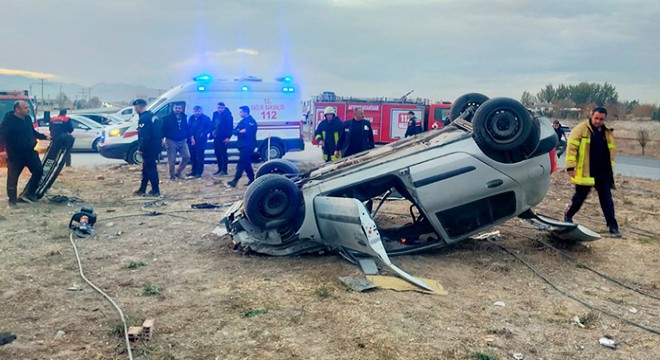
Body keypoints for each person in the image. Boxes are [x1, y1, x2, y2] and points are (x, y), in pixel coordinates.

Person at [564, 107, 621, 237]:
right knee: (579, 197)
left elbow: (610, 151)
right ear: (591, 116)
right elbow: (571, 149)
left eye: (601, 119)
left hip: (603, 172)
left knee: (607, 199)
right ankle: (568, 216)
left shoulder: (606, 132)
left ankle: (613, 226)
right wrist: (570, 167)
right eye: (596, 118)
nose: (598, 121)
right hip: (586, 171)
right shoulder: (580, 129)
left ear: (604, 119)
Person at [0, 101, 49, 207]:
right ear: (17, 109)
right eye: (25, 108)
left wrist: (44, 137)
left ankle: (28, 194)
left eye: (28, 108)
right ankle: (12, 201)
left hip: (29, 152)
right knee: (13, 178)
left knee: (39, 171)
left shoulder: (27, 119)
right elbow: (2, 136)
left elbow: (32, 132)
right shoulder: (8, 121)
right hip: (15, 155)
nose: (28, 110)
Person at [132, 99, 161, 197]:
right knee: (146, 169)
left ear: (138, 106)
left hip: (148, 148)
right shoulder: (153, 116)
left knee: (151, 169)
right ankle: (142, 189)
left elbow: (145, 136)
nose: (134, 109)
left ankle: (155, 190)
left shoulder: (144, 119)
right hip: (155, 146)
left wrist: (140, 149)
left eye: (135, 107)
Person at [227, 106, 257, 187]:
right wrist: (239, 131)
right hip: (242, 145)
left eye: (241, 112)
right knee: (246, 163)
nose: (240, 113)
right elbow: (234, 131)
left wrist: (240, 131)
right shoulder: (242, 121)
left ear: (245, 112)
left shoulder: (251, 121)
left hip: (248, 145)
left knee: (241, 163)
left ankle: (235, 180)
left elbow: (248, 132)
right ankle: (252, 179)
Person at [161, 103, 193, 181]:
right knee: (172, 160)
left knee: (187, 156)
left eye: (179, 108)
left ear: (181, 109)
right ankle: (172, 177)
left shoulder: (184, 117)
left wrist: (191, 137)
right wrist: (162, 139)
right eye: (176, 108)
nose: (177, 110)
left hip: (182, 140)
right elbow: (162, 129)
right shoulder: (167, 118)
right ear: (173, 108)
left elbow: (187, 128)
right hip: (171, 140)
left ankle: (178, 171)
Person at [186, 105, 213, 178]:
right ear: (193, 111)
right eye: (196, 111)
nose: (197, 113)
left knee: (200, 156)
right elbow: (188, 128)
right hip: (191, 140)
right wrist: (191, 137)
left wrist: (203, 133)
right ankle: (193, 171)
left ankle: (199, 172)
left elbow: (210, 128)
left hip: (201, 141)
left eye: (199, 111)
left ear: (201, 111)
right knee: (192, 156)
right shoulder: (191, 118)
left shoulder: (206, 118)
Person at [211, 102, 233, 175]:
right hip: (216, 136)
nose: (220, 109)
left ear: (224, 108)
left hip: (224, 137)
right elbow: (213, 124)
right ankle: (219, 169)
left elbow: (230, 128)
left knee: (223, 153)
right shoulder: (215, 114)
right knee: (217, 153)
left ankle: (224, 170)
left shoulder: (228, 116)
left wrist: (228, 137)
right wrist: (212, 134)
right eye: (219, 108)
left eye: (221, 108)